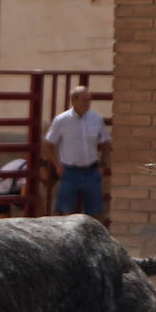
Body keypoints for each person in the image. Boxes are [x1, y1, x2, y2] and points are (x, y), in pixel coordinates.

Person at [44, 85, 111, 218]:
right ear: (73, 100)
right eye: (84, 100)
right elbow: (48, 144)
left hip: (91, 171)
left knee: (96, 213)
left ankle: (93, 233)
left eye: (89, 100)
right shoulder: (61, 120)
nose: (88, 103)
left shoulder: (96, 119)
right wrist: (57, 165)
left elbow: (106, 143)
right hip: (70, 172)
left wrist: (103, 165)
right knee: (67, 213)